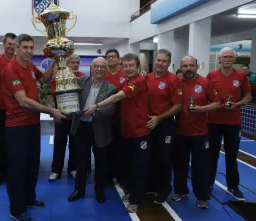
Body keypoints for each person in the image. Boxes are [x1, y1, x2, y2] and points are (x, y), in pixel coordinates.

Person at [2, 34, 65, 221]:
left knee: (31, 166)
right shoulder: (11, 69)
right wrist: (50, 110)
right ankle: (16, 209)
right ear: (17, 48)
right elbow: (23, 101)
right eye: (25, 47)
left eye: (31, 48)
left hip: (32, 124)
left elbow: (44, 79)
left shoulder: (29, 66)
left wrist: (56, 61)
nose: (29, 51)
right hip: (17, 127)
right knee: (17, 169)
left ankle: (29, 198)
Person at [85, 53, 151, 213]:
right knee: (129, 166)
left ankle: (136, 200)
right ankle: (132, 192)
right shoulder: (127, 81)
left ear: (138, 67)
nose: (128, 69)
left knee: (139, 167)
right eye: (126, 66)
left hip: (140, 132)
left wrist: (96, 105)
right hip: (127, 131)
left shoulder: (139, 81)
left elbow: (118, 96)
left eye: (131, 66)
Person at [171, 55, 220, 209]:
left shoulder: (206, 83)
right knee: (179, 165)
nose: (188, 69)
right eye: (185, 66)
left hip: (200, 133)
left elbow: (217, 103)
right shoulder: (176, 82)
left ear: (197, 66)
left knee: (201, 167)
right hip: (180, 132)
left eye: (191, 65)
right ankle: (180, 191)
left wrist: (202, 109)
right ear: (180, 67)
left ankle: (202, 196)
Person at [67, 57, 117, 203]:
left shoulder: (111, 88)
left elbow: (111, 109)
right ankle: (79, 190)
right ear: (91, 68)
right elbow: (70, 97)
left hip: (100, 129)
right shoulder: (81, 82)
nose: (99, 69)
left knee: (101, 164)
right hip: (81, 127)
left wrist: (95, 111)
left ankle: (99, 191)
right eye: (96, 66)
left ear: (106, 70)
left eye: (102, 67)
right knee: (81, 162)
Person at [207, 47, 252, 199]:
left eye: (230, 57)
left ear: (234, 59)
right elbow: (205, 96)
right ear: (219, 59)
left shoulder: (241, 76)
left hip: (233, 123)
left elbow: (248, 97)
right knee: (211, 155)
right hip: (213, 121)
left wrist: (237, 104)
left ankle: (233, 186)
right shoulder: (211, 75)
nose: (227, 59)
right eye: (224, 57)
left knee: (231, 156)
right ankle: (208, 183)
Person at [145, 49, 182, 204]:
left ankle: (164, 189)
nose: (160, 63)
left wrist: (159, 118)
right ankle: (152, 186)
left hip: (164, 124)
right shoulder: (146, 77)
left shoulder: (174, 80)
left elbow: (178, 106)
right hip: (148, 123)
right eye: (158, 60)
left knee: (164, 159)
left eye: (164, 61)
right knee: (150, 156)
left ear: (169, 63)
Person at [49, 54, 85, 181]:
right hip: (61, 117)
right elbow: (52, 95)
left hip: (76, 118)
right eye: (73, 62)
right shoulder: (58, 75)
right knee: (59, 144)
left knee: (75, 145)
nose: (75, 65)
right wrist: (53, 111)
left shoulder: (82, 77)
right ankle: (56, 170)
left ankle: (73, 169)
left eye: (77, 62)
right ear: (67, 63)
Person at [0, 33, 17, 185]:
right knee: (3, 142)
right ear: (4, 44)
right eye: (9, 43)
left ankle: (16, 172)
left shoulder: (21, 60)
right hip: (2, 108)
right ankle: (3, 173)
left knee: (17, 143)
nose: (12, 46)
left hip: (18, 109)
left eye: (14, 44)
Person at [104, 49, 127, 186]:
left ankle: (120, 175)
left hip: (122, 118)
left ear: (119, 59)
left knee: (120, 149)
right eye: (108, 57)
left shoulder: (125, 74)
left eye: (113, 57)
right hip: (106, 119)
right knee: (107, 149)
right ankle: (107, 175)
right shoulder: (103, 74)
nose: (111, 59)